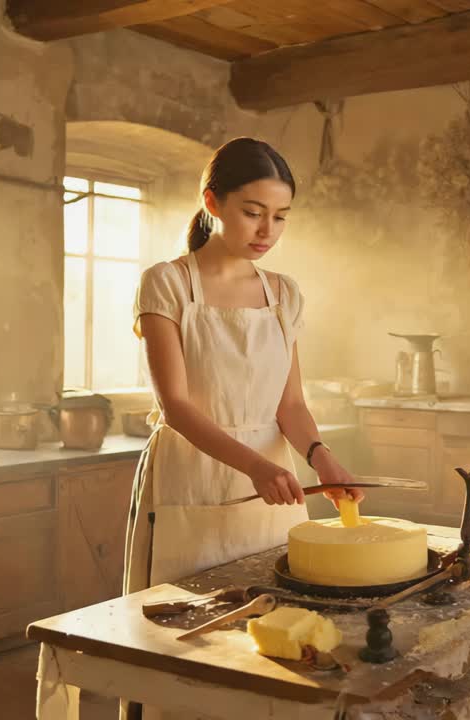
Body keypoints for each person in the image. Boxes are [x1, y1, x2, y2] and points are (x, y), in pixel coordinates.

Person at [122, 137, 364, 597]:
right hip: (195, 474)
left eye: (280, 217)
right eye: (253, 212)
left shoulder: (284, 293)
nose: (266, 231)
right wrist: (254, 467)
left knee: (276, 611)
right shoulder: (167, 283)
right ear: (213, 201)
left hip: (275, 477)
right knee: (189, 619)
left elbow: (290, 404)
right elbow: (174, 405)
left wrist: (321, 458)